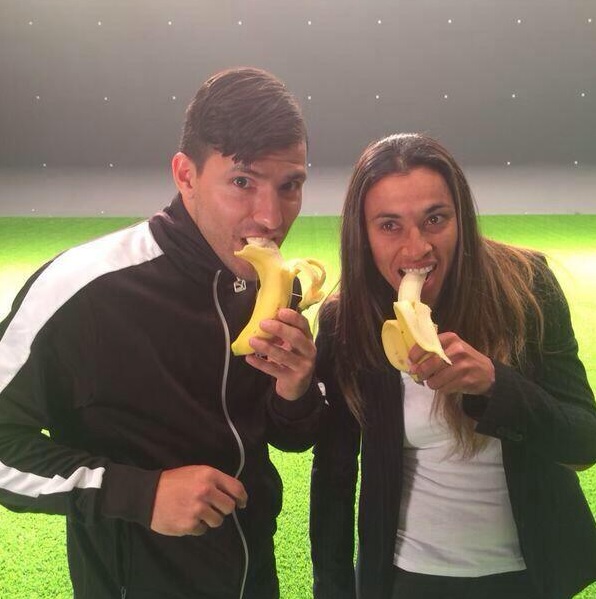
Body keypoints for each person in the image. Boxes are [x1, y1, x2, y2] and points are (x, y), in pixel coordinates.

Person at [0, 67, 325, 599]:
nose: (271, 218)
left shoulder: (275, 289)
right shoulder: (83, 289)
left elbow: (288, 437)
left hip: (254, 579)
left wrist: (295, 392)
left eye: (289, 186)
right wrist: (142, 494)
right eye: (242, 182)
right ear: (186, 175)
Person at [310, 133, 596, 599]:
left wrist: (496, 385)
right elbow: (334, 474)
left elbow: (584, 441)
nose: (416, 248)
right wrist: (334, 590)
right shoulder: (347, 322)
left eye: (435, 219)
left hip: (526, 577)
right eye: (389, 225)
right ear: (363, 236)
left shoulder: (529, 288)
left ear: (461, 218)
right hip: (407, 577)